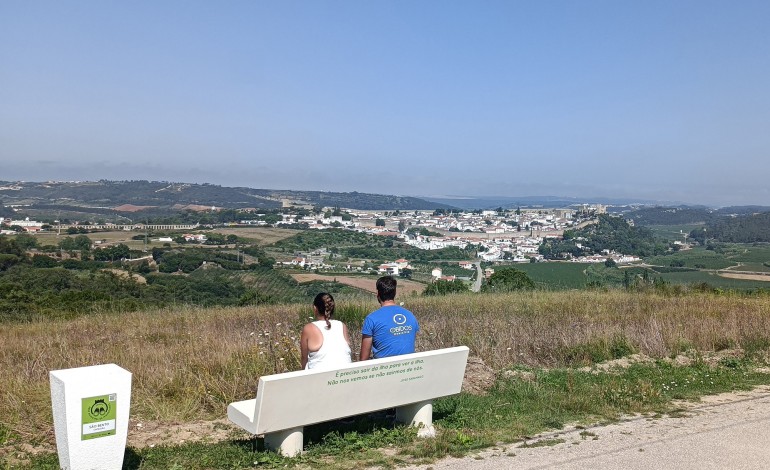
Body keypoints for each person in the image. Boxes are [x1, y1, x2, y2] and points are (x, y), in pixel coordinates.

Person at [360, 276, 419, 360]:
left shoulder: (371, 319)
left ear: (378, 294)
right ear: (394, 293)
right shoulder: (410, 315)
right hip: (409, 366)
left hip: (385, 369)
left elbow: (363, 359)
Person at [300, 293, 353, 370]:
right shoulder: (342, 325)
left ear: (315, 308)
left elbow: (304, 357)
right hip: (345, 374)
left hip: (320, 377)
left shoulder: (309, 328)